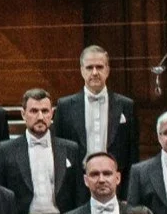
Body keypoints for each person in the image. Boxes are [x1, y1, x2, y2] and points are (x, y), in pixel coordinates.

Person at [0, 88, 80, 214]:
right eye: (34, 111)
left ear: (52, 114)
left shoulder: (70, 149)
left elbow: (79, 194)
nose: (40, 117)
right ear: (23, 114)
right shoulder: (6, 150)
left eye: (45, 111)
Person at [53, 44, 137, 172]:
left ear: (107, 70)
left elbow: (132, 153)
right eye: (89, 67)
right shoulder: (65, 106)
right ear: (82, 70)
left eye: (99, 67)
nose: (94, 72)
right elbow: (58, 150)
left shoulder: (126, 105)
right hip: (78, 182)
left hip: (116, 181)